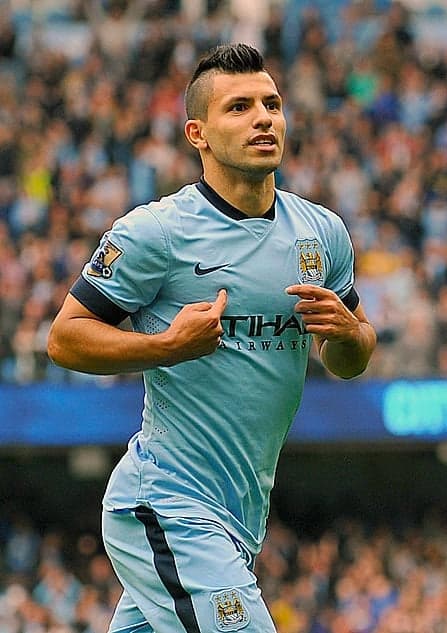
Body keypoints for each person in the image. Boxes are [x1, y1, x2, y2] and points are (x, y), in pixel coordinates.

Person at [47, 43, 376, 633]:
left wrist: (351, 334)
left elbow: (351, 358)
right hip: (166, 502)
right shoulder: (157, 232)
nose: (263, 118)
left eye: (271, 104)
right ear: (197, 133)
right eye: (240, 107)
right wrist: (166, 346)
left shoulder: (321, 233)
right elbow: (65, 338)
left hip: (240, 516)